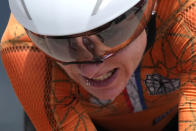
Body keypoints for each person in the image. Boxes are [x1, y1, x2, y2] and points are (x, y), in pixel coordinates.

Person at [0, 0, 196, 130]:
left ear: (151, 6)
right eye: (59, 44)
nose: (91, 70)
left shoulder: (189, 15)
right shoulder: (22, 47)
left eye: (110, 34)